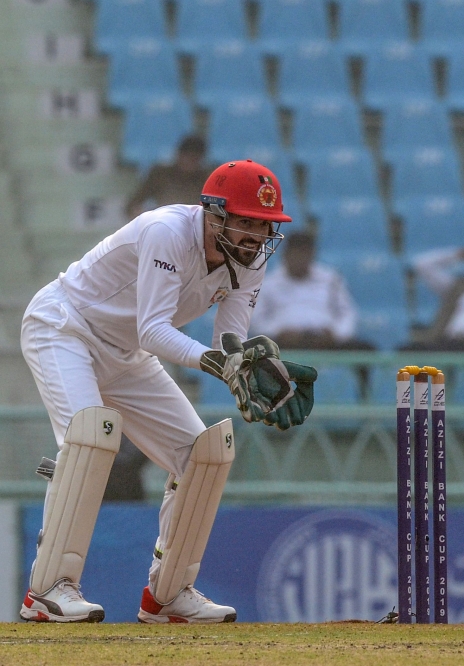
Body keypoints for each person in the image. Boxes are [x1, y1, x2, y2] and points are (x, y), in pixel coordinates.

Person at [19, 159, 317, 624]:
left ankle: (168, 594)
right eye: (245, 222)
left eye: (264, 226)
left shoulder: (252, 259)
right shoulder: (166, 232)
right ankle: (47, 591)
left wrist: (248, 368)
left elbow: (229, 342)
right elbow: (154, 329)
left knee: (205, 455)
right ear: (213, 214)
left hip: (126, 353)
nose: (256, 236)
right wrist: (221, 364)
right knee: (90, 441)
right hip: (65, 326)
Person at [252, 232, 374, 353]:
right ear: (285, 255)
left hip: (325, 341)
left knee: (365, 349)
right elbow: (256, 320)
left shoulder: (330, 279)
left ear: (312, 254)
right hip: (284, 344)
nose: (300, 259)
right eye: (296, 254)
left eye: (304, 254)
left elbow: (348, 313)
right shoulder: (269, 283)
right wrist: (278, 332)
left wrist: (336, 334)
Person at [126, 135, 214, 219]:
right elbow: (132, 205)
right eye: (187, 157)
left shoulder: (207, 180)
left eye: (194, 160)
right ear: (178, 155)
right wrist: (140, 214)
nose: (189, 163)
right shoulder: (160, 174)